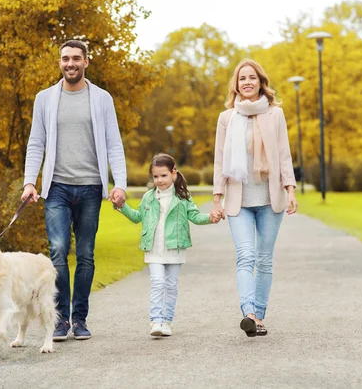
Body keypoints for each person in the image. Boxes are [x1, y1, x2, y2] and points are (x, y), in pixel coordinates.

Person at [21, 40, 127, 341]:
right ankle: (59, 319)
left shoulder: (102, 99)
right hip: (56, 188)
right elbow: (36, 142)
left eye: (76, 59)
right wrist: (30, 182)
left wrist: (119, 183)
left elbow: (113, 144)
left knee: (86, 254)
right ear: (59, 63)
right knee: (57, 251)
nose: (71, 63)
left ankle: (79, 318)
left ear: (86, 62)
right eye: (65, 58)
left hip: (91, 187)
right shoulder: (44, 99)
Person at [211, 59, 298, 337]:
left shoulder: (275, 114)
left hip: (270, 199)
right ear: (235, 85)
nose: (246, 82)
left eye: (252, 78)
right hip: (239, 200)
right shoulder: (226, 118)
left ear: (261, 82)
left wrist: (290, 188)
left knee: (264, 259)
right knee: (245, 256)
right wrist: (217, 196)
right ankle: (248, 312)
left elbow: (284, 154)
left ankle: (259, 317)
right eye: (241, 78)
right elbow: (220, 159)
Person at [118, 153, 220, 337]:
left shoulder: (183, 196)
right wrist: (122, 206)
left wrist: (211, 218)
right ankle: (156, 321)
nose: (159, 180)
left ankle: (167, 322)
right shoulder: (149, 197)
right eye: (155, 176)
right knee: (157, 283)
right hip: (154, 248)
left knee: (171, 285)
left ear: (173, 173)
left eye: (163, 175)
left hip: (175, 247)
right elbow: (137, 217)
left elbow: (195, 216)